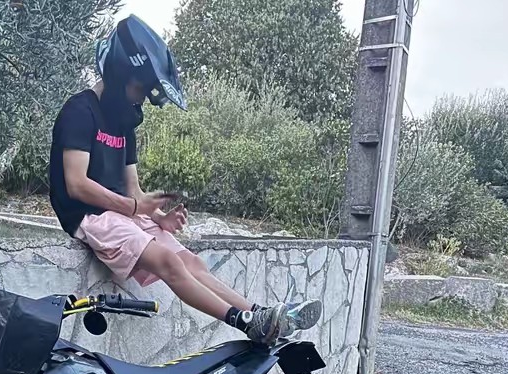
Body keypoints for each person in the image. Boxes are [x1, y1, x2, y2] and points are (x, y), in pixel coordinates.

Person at [49, 14, 322, 345]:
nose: (141, 98)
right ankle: (247, 323)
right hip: (89, 217)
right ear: (120, 74)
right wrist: (134, 207)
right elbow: (76, 184)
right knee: (167, 261)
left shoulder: (123, 122)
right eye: (140, 88)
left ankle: (261, 313)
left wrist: (157, 217)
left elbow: (134, 191)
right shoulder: (80, 112)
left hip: (120, 212)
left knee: (190, 261)